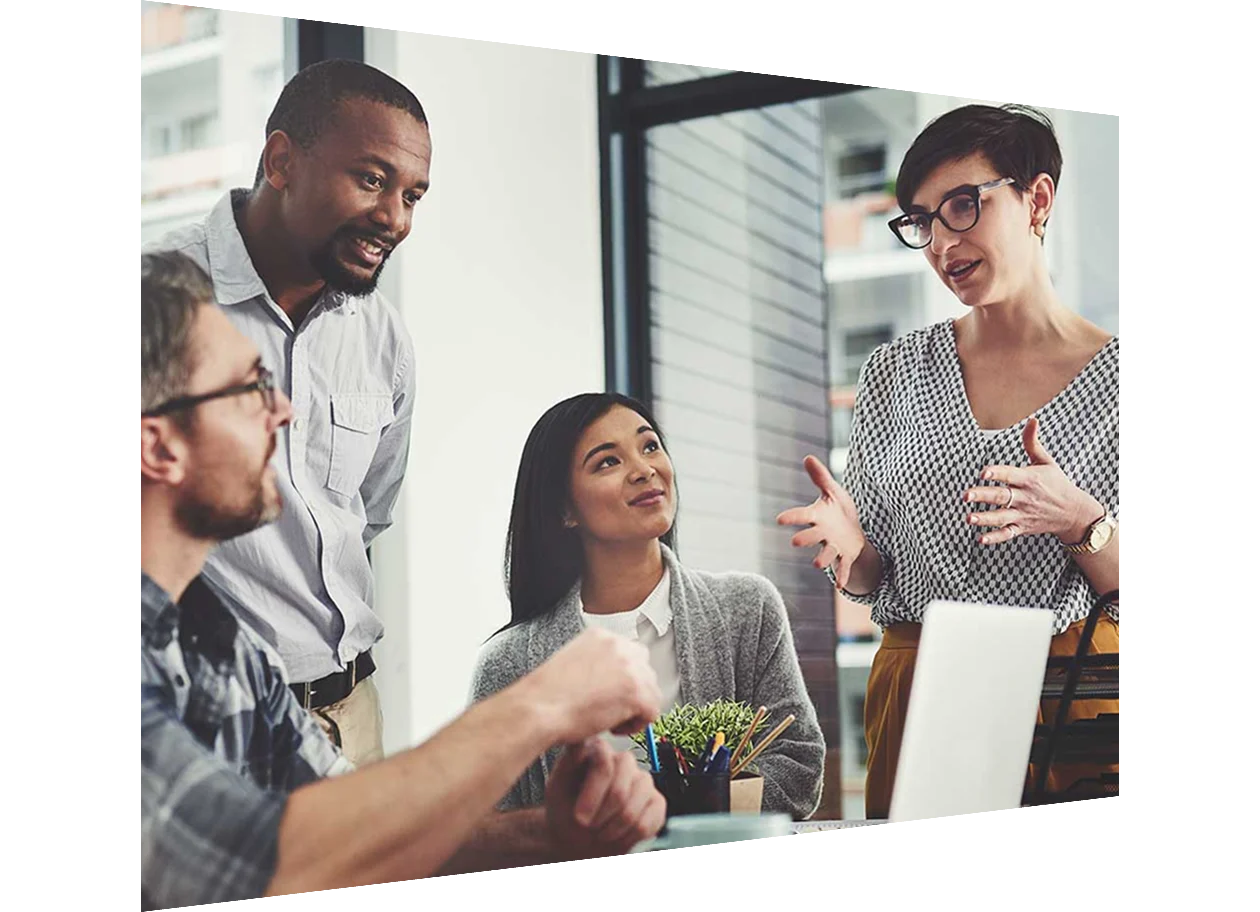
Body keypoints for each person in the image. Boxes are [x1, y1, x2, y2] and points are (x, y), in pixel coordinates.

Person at [137, 252, 666, 910]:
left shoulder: (219, 637)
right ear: (158, 446)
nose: (284, 412)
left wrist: (552, 835)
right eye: (249, 389)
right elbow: (255, 855)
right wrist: (539, 705)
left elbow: (349, 827)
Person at [778, 104, 1119, 818]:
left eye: (963, 205)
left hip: (1070, 693)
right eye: (922, 221)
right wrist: (851, 551)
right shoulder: (894, 371)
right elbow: (876, 577)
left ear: (1037, 200)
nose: (940, 243)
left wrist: (1080, 520)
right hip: (920, 688)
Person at [138, 59, 434, 767]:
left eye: (413, 195)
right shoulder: (158, 299)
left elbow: (366, 517)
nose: (395, 219)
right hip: (205, 721)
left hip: (353, 713)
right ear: (281, 162)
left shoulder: (383, 337)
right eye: (372, 179)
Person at [470, 393, 826, 820]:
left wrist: (680, 814)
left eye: (650, 446)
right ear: (565, 509)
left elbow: (798, 766)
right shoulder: (508, 664)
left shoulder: (748, 609)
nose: (643, 469)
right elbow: (486, 822)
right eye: (608, 462)